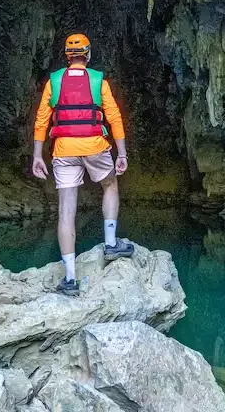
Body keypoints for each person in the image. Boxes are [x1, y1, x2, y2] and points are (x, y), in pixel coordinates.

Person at [31, 33, 134, 296]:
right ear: (87, 55)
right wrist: (121, 153)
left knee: (67, 210)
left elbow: (42, 120)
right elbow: (114, 117)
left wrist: (37, 156)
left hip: (63, 149)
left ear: (67, 56)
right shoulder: (99, 80)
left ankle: (70, 279)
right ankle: (111, 244)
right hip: (95, 145)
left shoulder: (53, 82)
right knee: (110, 184)